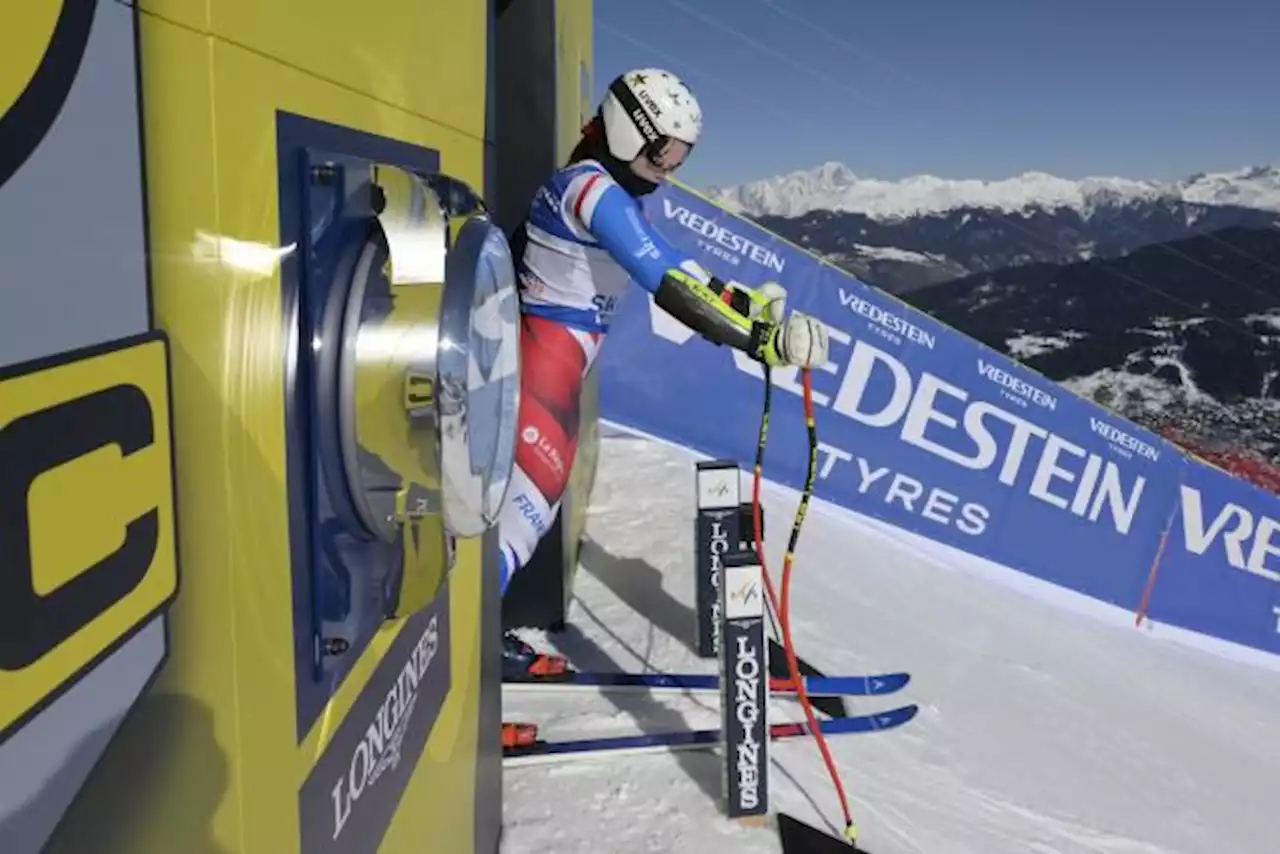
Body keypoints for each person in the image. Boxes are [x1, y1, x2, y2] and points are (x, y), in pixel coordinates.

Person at [496, 68, 828, 737]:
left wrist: (743, 302)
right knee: (513, 529)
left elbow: (681, 266)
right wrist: (758, 338)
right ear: (626, 132)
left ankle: (473, 651)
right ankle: (454, 702)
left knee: (515, 524)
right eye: (662, 153)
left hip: (552, 371)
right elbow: (666, 281)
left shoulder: (601, 188)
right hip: (544, 377)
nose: (668, 170)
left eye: (680, 158)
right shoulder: (592, 191)